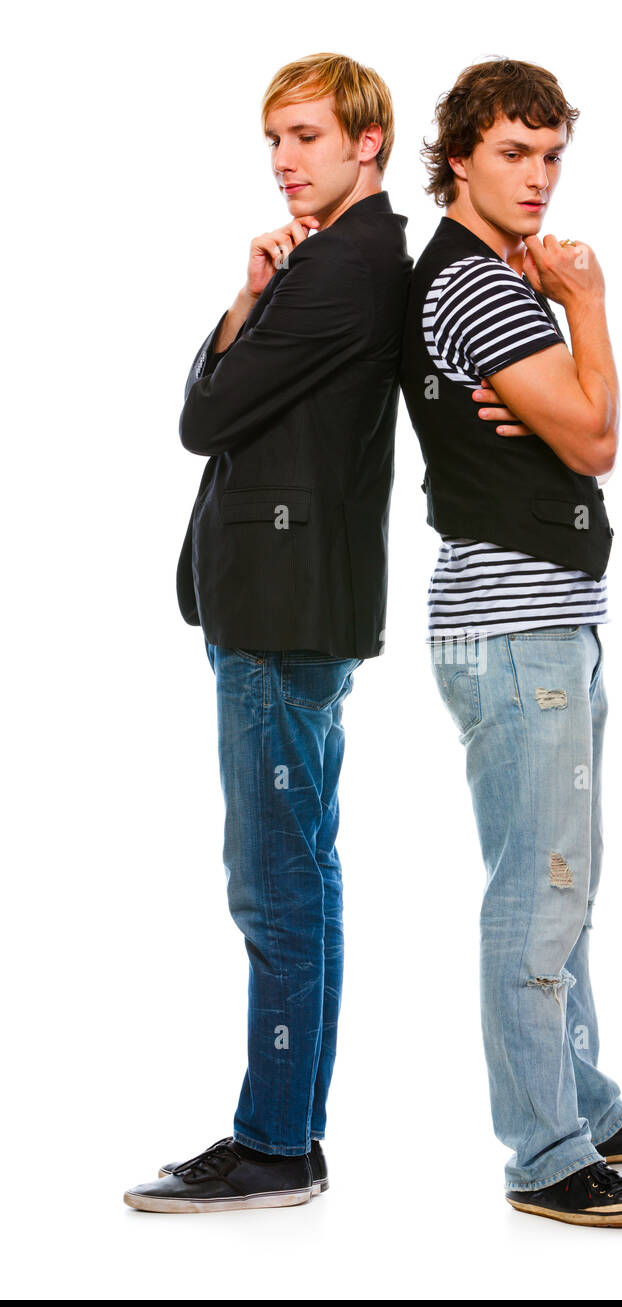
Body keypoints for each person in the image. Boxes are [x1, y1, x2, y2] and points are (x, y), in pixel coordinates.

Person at [400, 57, 622, 1227]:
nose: (537, 178)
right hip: (512, 623)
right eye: (511, 154)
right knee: (537, 889)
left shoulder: (488, 279)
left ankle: (582, 1100)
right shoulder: (482, 291)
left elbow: (567, 431)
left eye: (550, 155)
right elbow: (591, 438)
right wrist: (584, 309)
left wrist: (557, 370)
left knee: (561, 881)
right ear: (459, 159)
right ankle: (543, 1152)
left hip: (543, 620)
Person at [125, 53, 413, 1214]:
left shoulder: (343, 267)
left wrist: (251, 307)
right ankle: (287, 1131)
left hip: (281, 612)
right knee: (301, 873)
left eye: (307, 137)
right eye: (274, 142)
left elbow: (203, 418)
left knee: (278, 885)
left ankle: (274, 1147)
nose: (287, 161)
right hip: (292, 604)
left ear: (367, 144)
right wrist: (249, 297)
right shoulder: (332, 261)